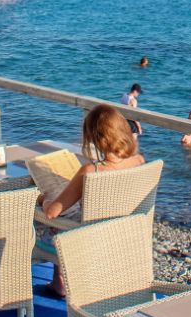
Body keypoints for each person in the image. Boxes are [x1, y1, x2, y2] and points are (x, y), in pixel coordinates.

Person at [41, 105, 146, 295]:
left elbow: (52, 212)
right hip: (124, 233)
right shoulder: (139, 161)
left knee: (53, 222)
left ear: (95, 138)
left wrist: (44, 199)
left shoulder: (91, 171)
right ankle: (60, 280)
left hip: (92, 239)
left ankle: (59, 281)